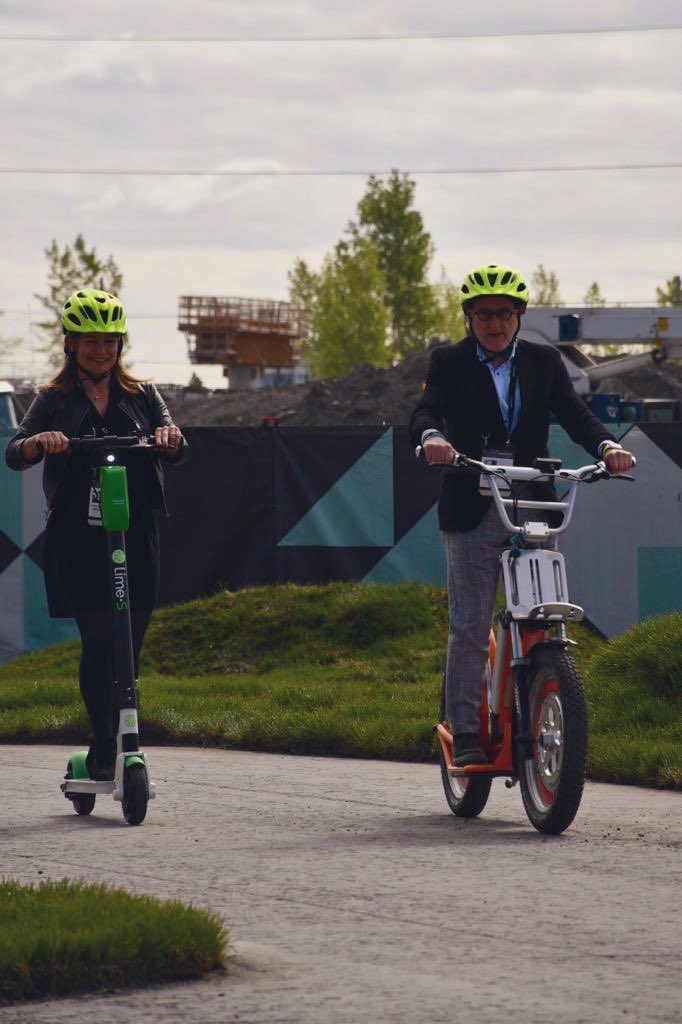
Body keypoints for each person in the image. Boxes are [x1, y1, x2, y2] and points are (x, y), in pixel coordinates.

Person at [409, 263, 634, 767]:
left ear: (519, 316)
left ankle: (540, 691)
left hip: (532, 503)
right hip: (471, 500)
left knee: (542, 614)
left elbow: (574, 414)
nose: (495, 323)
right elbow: (425, 411)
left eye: (505, 313)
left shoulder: (544, 361)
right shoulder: (448, 362)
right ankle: (466, 729)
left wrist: (607, 446)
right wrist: (433, 437)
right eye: (485, 314)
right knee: (469, 623)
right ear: (469, 318)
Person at [6, 288, 186, 780]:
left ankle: (124, 737)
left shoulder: (143, 396)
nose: (100, 349)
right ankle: (105, 744)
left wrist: (170, 439)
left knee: (130, 645)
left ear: (120, 344)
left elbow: (175, 442)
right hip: (78, 536)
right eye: (90, 340)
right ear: (71, 343)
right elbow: (16, 451)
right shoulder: (53, 399)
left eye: (109, 340)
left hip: (134, 530)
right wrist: (40, 441)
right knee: (101, 641)